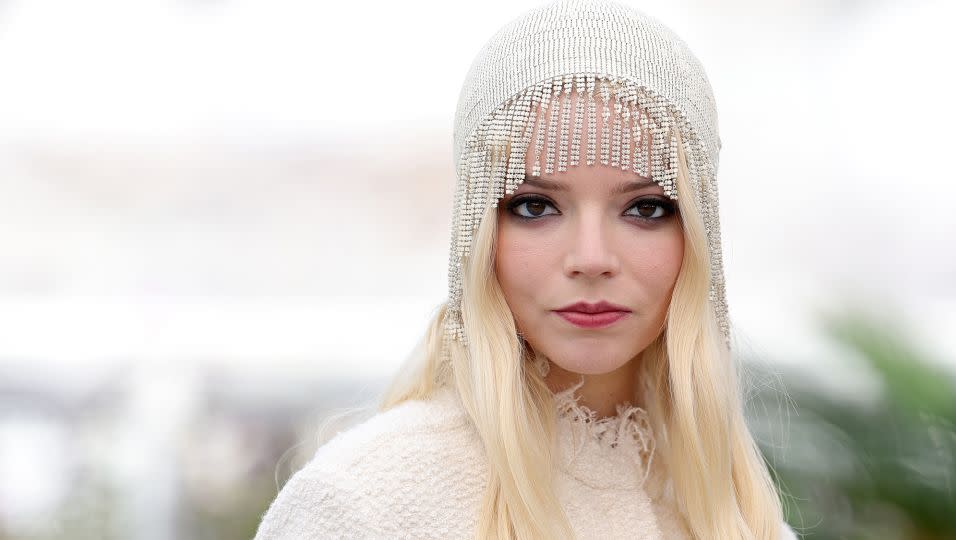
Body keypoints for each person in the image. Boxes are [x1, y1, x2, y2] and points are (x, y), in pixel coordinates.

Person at [254, 0, 798, 538]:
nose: (590, 258)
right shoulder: (361, 505)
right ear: (477, 231)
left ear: (699, 236)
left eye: (645, 208)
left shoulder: (729, 507)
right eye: (535, 206)